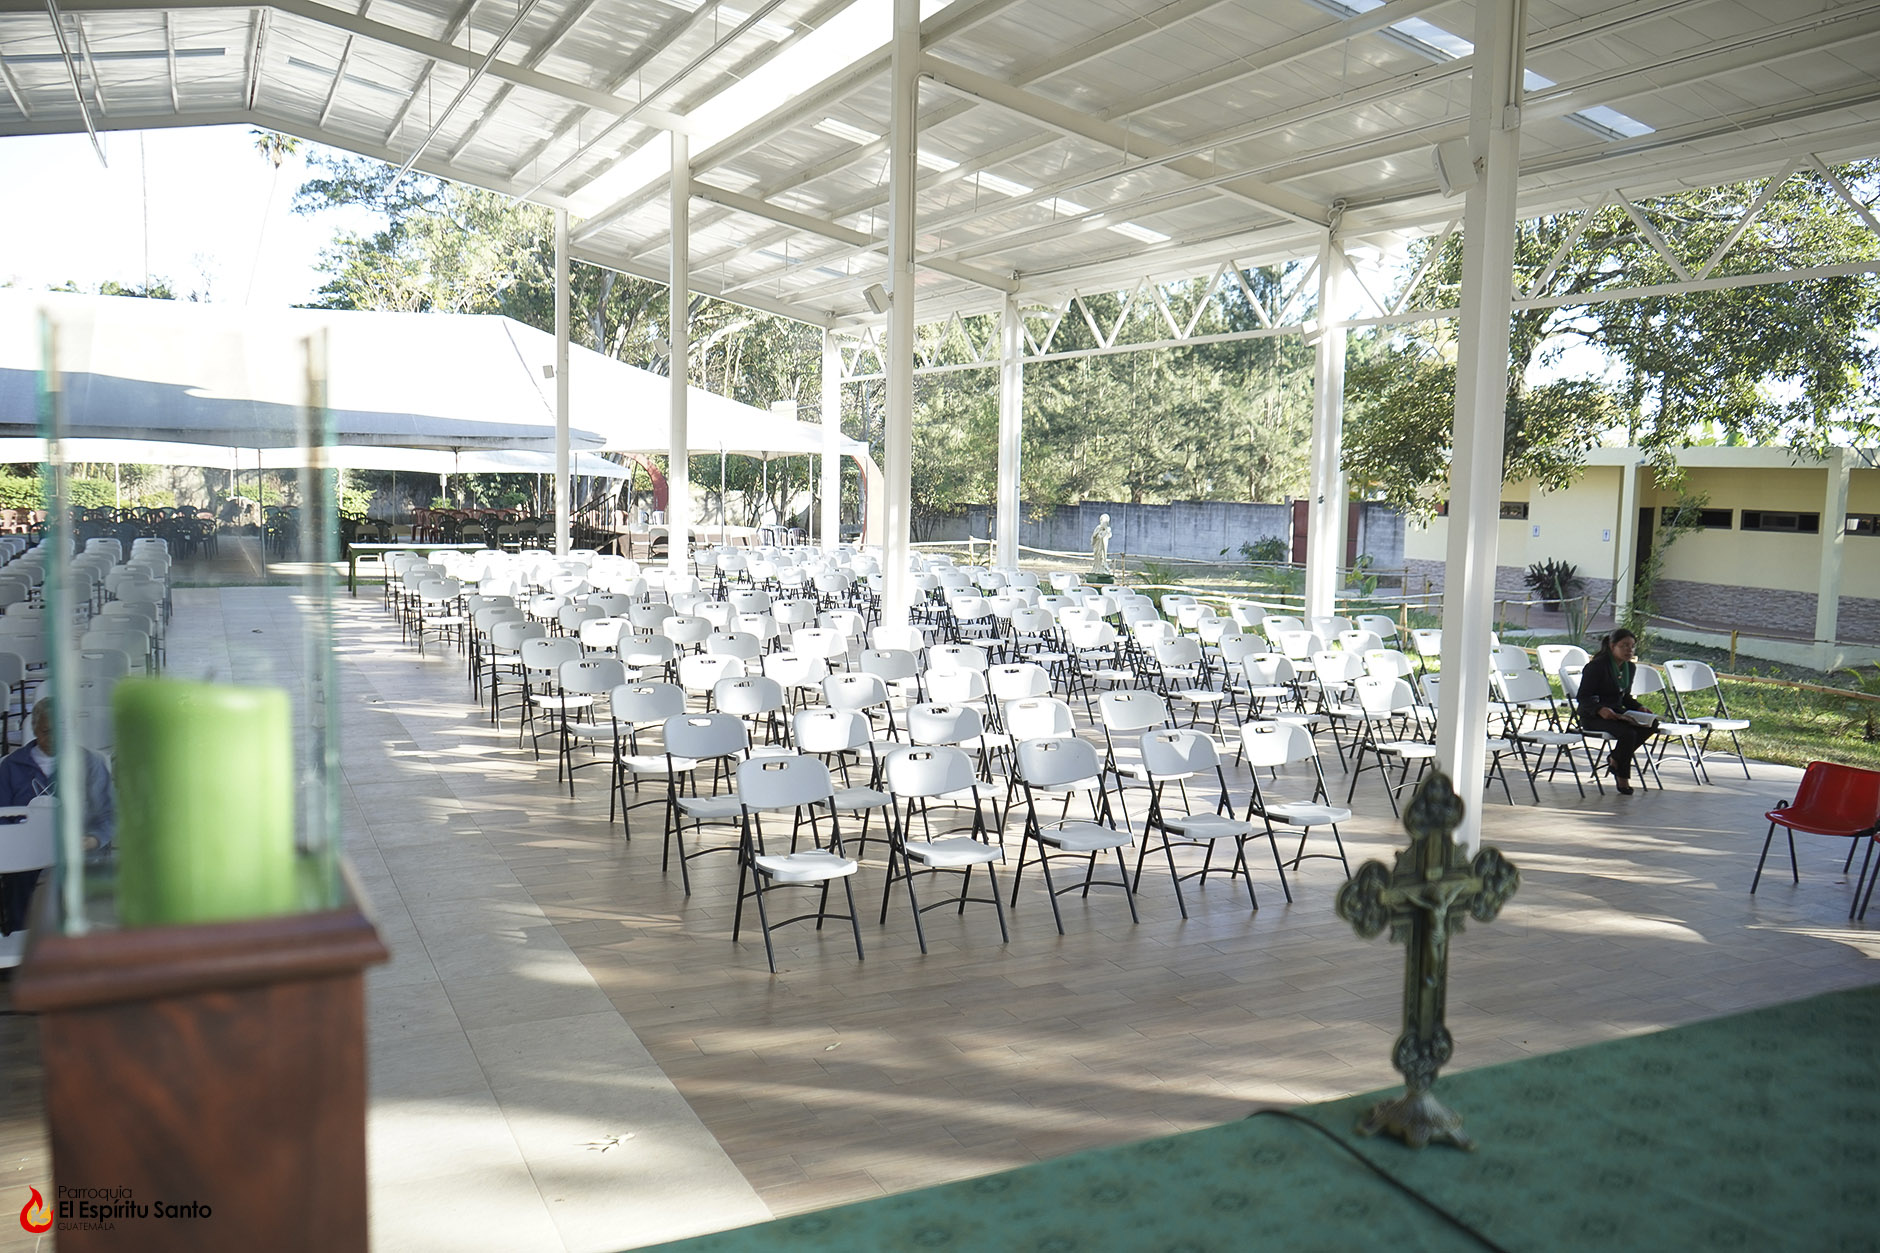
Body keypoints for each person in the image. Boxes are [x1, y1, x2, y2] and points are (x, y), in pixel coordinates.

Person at [0, 699, 116, 935]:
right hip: (25, 853)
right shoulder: (11, 767)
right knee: (18, 881)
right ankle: (20, 938)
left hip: (74, 850)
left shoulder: (89, 763)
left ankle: (75, 939)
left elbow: (107, 815)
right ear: (35, 730)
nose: (53, 738)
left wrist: (91, 840)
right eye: (46, 731)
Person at [1575, 629, 1656, 795]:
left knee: (1651, 724)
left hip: (1617, 713)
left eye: (1632, 647)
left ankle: (1616, 758)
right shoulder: (1596, 666)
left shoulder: (1629, 668)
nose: (1629, 650)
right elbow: (1583, 696)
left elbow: (1624, 697)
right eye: (1624, 645)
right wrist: (1599, 709)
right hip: (1593, 715)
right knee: (1628, 734)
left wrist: (1639, 707)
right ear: (1612, 646)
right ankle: (1622, 778)